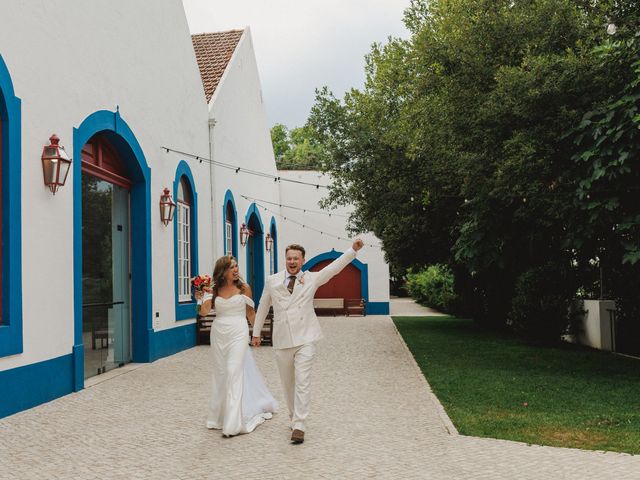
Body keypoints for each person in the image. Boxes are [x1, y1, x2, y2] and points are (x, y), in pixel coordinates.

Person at [252, 239, 364, 444]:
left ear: (303, 260)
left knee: (303, 381)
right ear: (285, 260)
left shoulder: (312, 278)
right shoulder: (272, 280)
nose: (292, 261)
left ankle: (300, 425)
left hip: (306, 337)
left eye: (296, 258)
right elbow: (262, 305)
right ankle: (293, 417)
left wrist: (352, 251)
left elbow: (334, 268)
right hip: (282, 339)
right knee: (288, 384)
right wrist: (256, 332)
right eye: (289, 258)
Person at [197, 255, 277, 437]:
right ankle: (219, 417)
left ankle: (233, 423)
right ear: (223, 270)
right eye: (231, 266)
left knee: (234, 371)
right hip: (219, 334)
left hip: (238, 332)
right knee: (221, 374)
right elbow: (204, 313)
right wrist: (201, 298)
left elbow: (250, 313)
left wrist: (256, 333)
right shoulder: (214, 289)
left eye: (236, 266)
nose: (235, 269)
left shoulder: (244, 288)